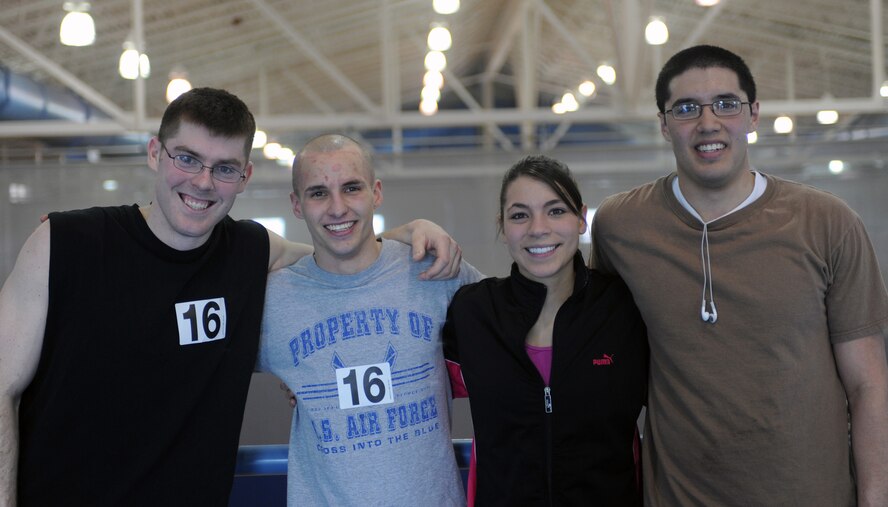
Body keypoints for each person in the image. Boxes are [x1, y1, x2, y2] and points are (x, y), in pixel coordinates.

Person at [0, 88, 461, 506]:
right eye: (187, 158)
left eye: (224, 168)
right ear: (155, 153)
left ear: (245, 176)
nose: (203, 182)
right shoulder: (64, 244)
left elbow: (341, 250)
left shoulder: (248, 250)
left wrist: (409, 233)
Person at [590, 45, 888, 506]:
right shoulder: (620, 226)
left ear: (753, 116)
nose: (708, 123)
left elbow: (868, 384)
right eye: (686, 108)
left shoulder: (827, 222)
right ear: (664, 124)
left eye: (726, 104)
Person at [256, 134, 484, 505]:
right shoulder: (272, 301)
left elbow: (520, 331)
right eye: (318, 193)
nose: (337, 207)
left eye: (351, 188)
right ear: (296, 205)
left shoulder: (434, 268)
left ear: (376, 192)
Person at [442, 155, 648, 506]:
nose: (538, 228)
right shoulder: (473, 312)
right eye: (520, 215)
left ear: (582, 219)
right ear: (503, 227)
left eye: (555, 211)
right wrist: (403, 234)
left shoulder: (624, 307)